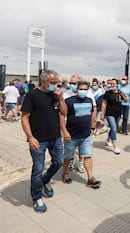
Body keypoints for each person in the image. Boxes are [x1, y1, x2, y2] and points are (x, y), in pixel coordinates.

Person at [20, 69, 67, 213]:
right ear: (44, 81)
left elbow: (64, 113)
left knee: (58, 162)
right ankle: (36, 197)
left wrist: (60, 99)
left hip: (55, 138)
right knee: (38, 169)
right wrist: (30, 137)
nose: (56, 85)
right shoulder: (32, 95)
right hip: (38, 140)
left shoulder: (55, 95)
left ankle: (45, 180)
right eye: (53, 82)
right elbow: (24, 117)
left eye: (57, 82)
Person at [60, 81, 101, 189]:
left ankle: (90, 178)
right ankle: (65, 173)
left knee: (87, 156)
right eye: (81, 89)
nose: (83, 91)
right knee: (68, 156)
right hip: (71, 136)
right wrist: (64, 131)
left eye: (85, 89)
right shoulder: (69, 101)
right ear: (77, 89)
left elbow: (92, 114)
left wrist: (92, 128)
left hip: (86, 135)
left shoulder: (89, 100)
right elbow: (61, 116)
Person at [101, 79, 127, 154]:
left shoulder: (120, 92)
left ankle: (108, 139)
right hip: (110, 113)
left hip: (118, 113)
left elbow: (126, 100)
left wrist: (122, 95)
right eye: (111, 84)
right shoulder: (107, 93)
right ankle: (115, 145)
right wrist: (102, 113)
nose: (112, 85)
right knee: (114, 128)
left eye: (113, 84)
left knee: (113, 127)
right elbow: (104, 103)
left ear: (117, 84)